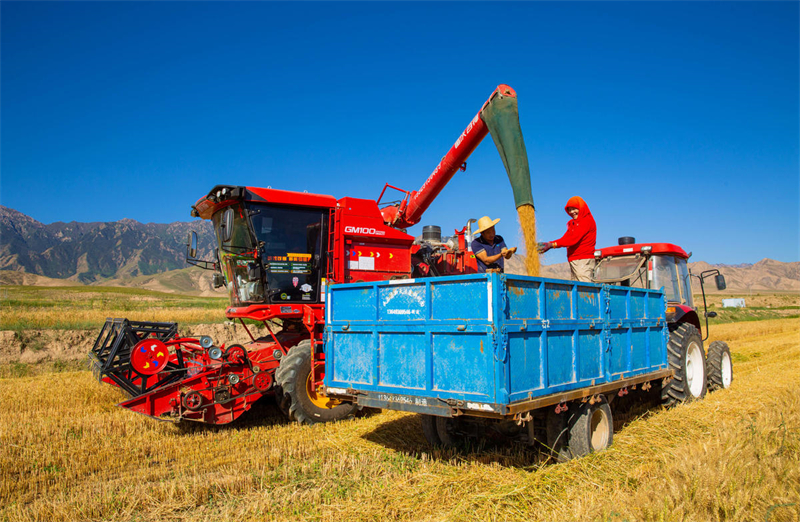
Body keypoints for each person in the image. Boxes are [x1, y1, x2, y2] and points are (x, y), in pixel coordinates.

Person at [539, 196, 597, 282]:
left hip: (583, 260)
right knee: (577, 289)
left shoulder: (586, 221)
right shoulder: (573, 223)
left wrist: (552, 245)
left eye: (574, 209)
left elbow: (573, 239)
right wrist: (549, 243)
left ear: (581, 208)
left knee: (585, 289)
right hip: (574, 260)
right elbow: (566, 238)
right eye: (569, 210)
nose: (572, 212)